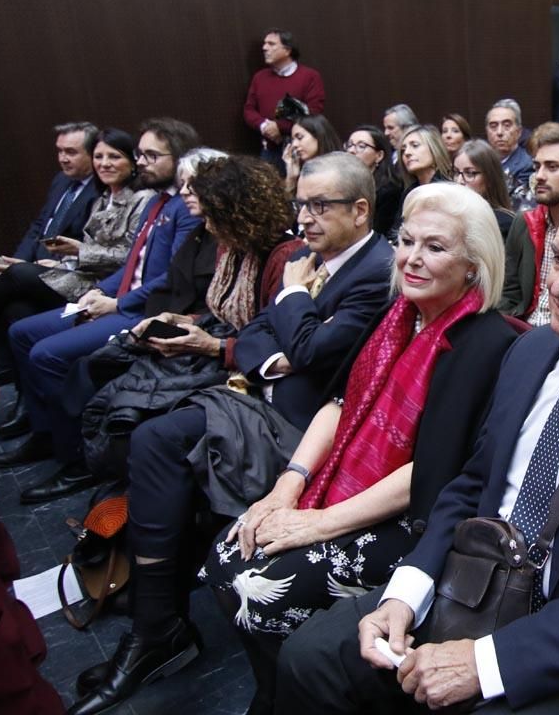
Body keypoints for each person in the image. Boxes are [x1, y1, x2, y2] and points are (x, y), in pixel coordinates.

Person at [275, 184, 559, 715]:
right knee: (310, 659)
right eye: (558, 257)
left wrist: (484, 663)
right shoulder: (530, 350)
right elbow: (472, 484)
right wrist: (404, 593)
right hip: (477, 586)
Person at [63, 152, 395, 715]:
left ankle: (159, 628)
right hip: (257, 395)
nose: (307, 218)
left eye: (321, 206)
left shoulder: (377, 271)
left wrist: (293, 302)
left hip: (303, 426)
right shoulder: (316, 259)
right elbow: (263, 334)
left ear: (361, 211)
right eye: (301, 205)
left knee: (159, 441)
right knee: (144, 433)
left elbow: (312, 353)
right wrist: (282, 347)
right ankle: (157, 623)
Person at [200, 183, 516, 713]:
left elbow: (433, 473)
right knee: (224, 557)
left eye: (435, 247)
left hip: (413, 518)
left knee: (254, 585)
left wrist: (320, 523)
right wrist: (288, 486)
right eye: (406, 240)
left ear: (473, 265)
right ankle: (279, 693)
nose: (412, 258)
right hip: (346, 484)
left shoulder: (484, 343)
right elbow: (339, 405)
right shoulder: (397, 312)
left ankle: (296, 693)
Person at [73, 151, 300, 482]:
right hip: (217, 344)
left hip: (242, 369)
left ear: (239, 214)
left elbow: (272, 341)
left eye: (213, 217)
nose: (206, 226)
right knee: (101, 368)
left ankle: (120, 487)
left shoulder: (284, 257)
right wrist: (187, 321)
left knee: (131, 413)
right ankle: (102, 479)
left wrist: (211, 346)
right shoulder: (233, 247)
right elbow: (222, 309)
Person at [1, 119, 202, 484]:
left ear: (179, 157)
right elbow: (133, 263)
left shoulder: (184, 209)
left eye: (151, 155)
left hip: (144, 309)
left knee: (45, 355)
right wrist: (101, 291)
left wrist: (118, 303)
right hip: (120, 298)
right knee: (20, 331)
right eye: (140, 154)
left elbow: (171, 278)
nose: (141, 162)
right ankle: (45, 432)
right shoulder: (156, 202)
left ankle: (77, 458)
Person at [0, 128, 139, 379]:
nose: (104, 164)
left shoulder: (141, 199)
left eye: (114, 157)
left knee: (18, 273)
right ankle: (20, 392)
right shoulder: (103, 197)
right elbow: (42, 226)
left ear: (133, 161)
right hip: (73, 272)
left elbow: (132, 256)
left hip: (100, 286)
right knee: (14, 306)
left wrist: (77, 252)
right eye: (99, 157)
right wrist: (61, 262)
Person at [500, 124, 559, 324]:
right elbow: (509, 293)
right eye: (536, 167)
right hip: (523, 333)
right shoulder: (525, 223)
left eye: (552, 167)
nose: (539, 176)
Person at [243, 29, 326, 164]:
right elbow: (249, 110)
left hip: (300, 148)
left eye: (271, 44)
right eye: (265, 44)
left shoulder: (310, 76)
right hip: (269, 149)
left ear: (287, 50)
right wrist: (265, 126)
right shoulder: (260, 77)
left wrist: (280, 127)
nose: (264, 48)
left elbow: (313, 111)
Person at [344, 126, 401, 237]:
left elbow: (379, 232)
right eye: (349, 145)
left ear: (379, 156)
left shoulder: (389, 191)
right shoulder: (341, 185)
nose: (351, 150)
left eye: (361, 146)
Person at [453, 139, 516, 240]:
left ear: (489, 178)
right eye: (456, 172)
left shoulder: (505, 222)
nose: (459, 181)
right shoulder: (449, 215)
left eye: (470, 173)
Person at [485, 99, 535, 211]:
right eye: (493, 126)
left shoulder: (527, 165)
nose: (499, 132)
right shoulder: (480, 162)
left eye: (507, 125)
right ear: (487, 131)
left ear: (519, 132)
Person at [283, 114, 343, 194]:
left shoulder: (341, 171)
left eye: (300, 137)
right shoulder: (300, 172)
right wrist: (291, 178)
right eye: (292, 140)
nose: (294, 144)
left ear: (319, 135)